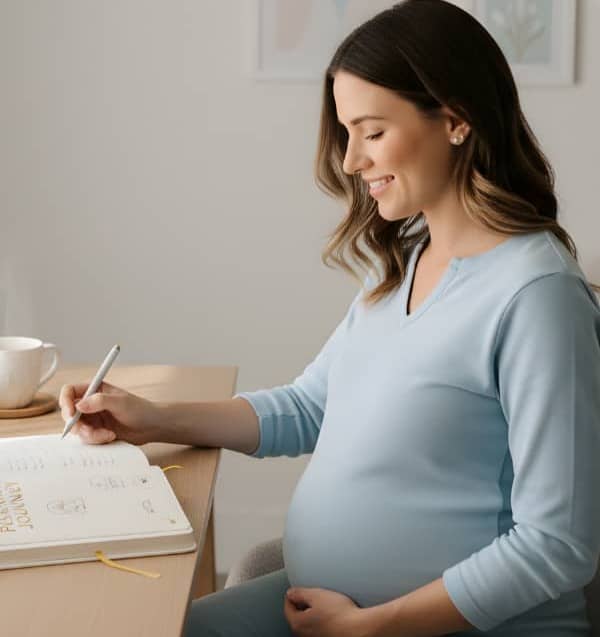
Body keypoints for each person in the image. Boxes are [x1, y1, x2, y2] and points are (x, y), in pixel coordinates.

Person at [59, 1, 600, 635]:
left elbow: (557, 545)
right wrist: (153, 419)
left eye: (372, 132)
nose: (350, 161)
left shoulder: (535, 295)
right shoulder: (404, 258)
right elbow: (311, 406)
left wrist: (375, 625)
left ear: (456, 120)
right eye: (347, 134)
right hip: (333, 610)